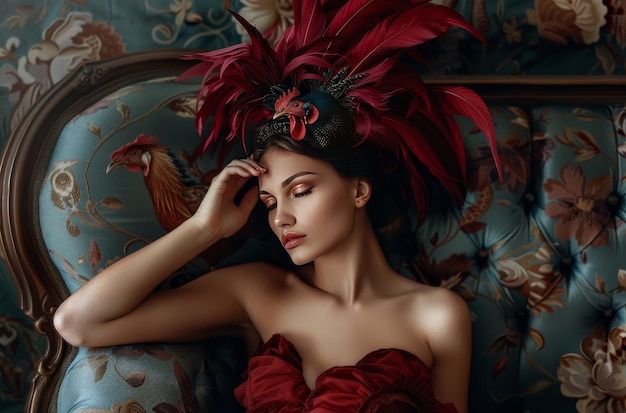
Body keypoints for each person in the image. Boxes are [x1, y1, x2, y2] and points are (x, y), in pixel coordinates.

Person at [54, 1, 500, 412]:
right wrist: (204, 229)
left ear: (359, 191)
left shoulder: (437, 315)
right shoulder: (257, 292)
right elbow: (79, 323)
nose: (280, 217)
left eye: (301, 190)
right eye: (268, 201)